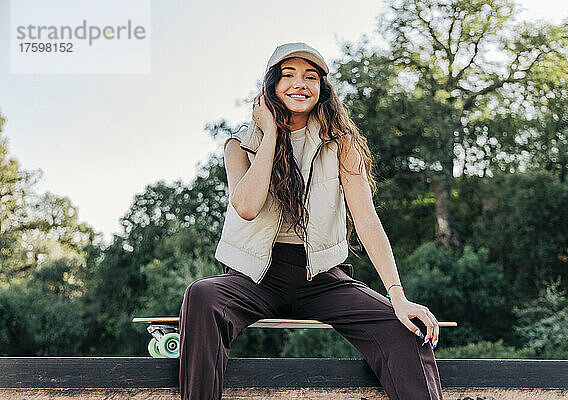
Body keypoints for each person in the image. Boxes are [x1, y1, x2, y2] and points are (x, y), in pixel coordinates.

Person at [178, 42, 443, 400]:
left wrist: (398, 297)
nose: (299, 84)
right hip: (256, 276)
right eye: (287, 75)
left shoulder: (341, 142)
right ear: (271, 86)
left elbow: (366, 219)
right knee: (202, 296)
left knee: (404, 330)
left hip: (322, 278)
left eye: (310, 77)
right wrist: (270, 134)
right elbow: (247, 207)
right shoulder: (240, 144)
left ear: (322, 89)